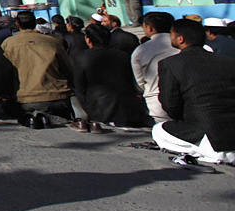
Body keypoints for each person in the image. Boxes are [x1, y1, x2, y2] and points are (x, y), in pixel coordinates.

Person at [153, 18, 235, 167]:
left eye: (171, 34)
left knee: (158, 130)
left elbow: (170, 104)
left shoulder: (170, 64)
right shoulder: (228, 62)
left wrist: (182, 122)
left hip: (206, 134)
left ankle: (205, 152)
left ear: (180, 38)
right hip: (231, 130)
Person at [70, 25, 150, 130]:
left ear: (88, 40)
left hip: (99, 109)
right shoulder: (123, 55)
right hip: (127, 108)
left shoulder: (81, 58)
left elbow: (80, 88)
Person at [2, 10, 74, 125]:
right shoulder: (54, 41)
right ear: (34, 23)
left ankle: (37, 115)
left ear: (17, 24)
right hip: (58, 96)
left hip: (26, 99)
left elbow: (4, 74)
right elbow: (68, 69)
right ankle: (46, 116)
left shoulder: (8, 44)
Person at [131, 11, 179, 122]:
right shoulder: (181, 44)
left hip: (157, 102)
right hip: (186, 98)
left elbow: (139, 82)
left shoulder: (140, 51)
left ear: (149, 28)